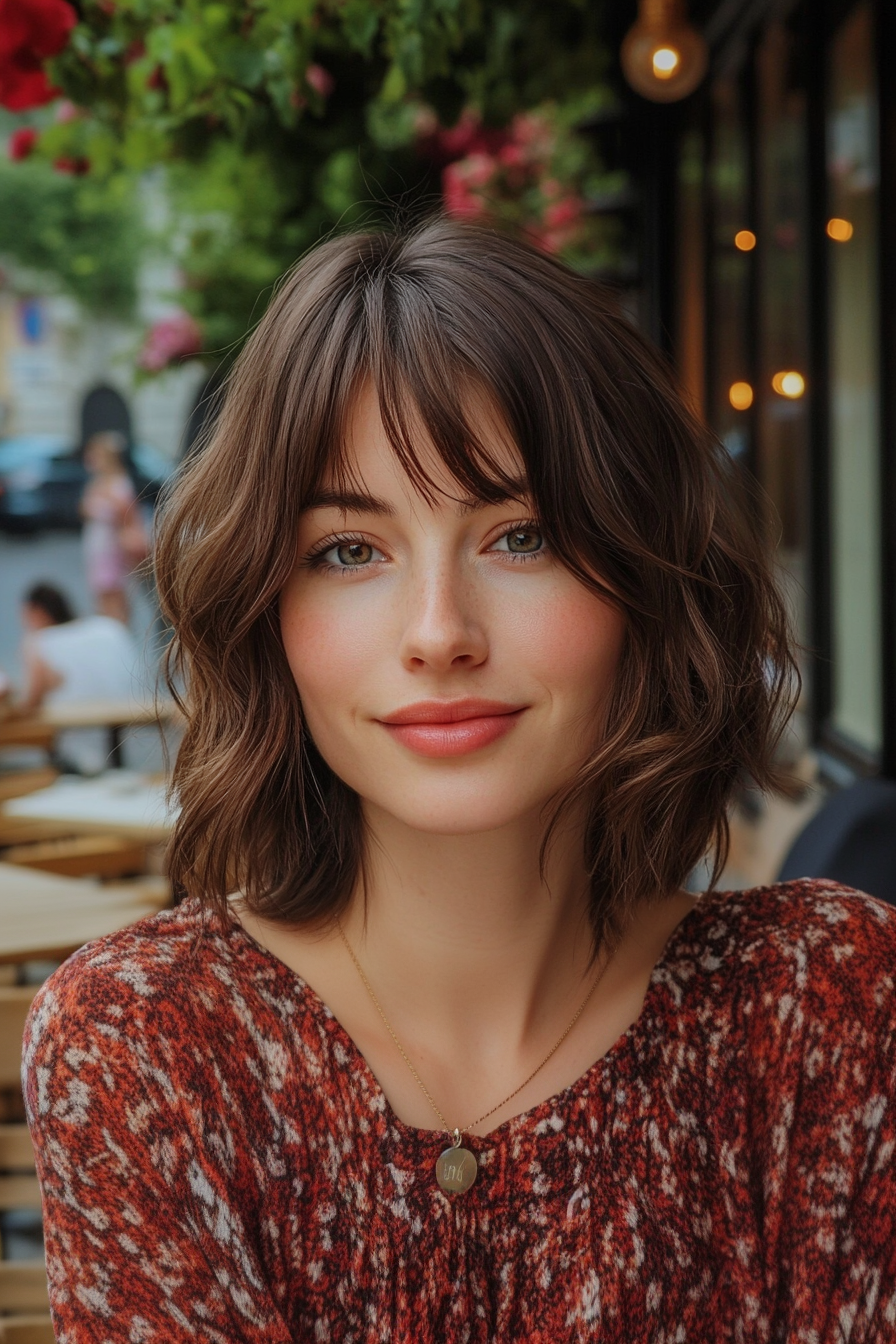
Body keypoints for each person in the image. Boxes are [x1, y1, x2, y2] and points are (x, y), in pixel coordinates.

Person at [22, 219, 895, 1341]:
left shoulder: (825, 1007)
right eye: (349, 550)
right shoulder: (149, 1048)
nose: (438, 634)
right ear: (265, 609)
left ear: (642, 578)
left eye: (519, 534)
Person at [17, 581, 140, 773]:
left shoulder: (40, 642)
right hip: (131, 734)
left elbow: (32, 700)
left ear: (37, 612)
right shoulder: (107, 628)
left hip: (78, 746)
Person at [80, 429, 147, 624]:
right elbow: (84, 510)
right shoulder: (97, 482)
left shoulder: (119, 484)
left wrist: (107, 497)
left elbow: (129, 515)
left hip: (113, 548)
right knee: (101, 599)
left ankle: (120, 641)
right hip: (97, 546)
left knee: (117, 600)